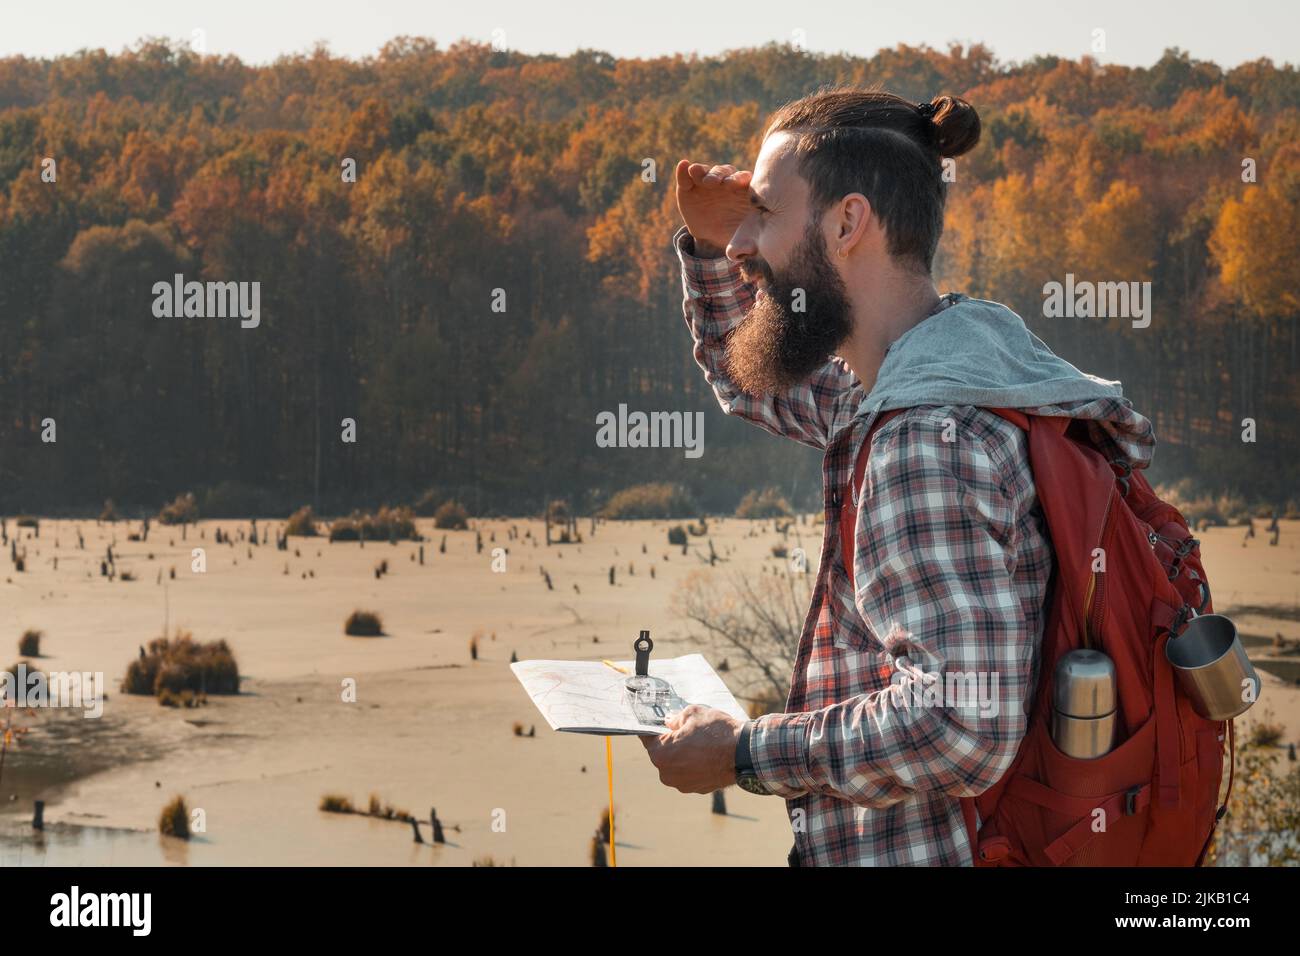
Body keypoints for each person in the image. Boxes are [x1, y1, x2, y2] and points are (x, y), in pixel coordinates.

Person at [640, 88, 1155, 866]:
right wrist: (714, 244)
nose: (745, 246)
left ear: (848, 223)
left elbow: (958, 727)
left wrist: (745, 753)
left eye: (767, 215)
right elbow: (753, 378)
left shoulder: (923, 439)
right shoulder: (966, 373)